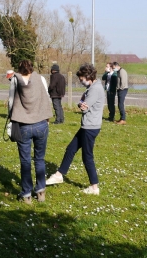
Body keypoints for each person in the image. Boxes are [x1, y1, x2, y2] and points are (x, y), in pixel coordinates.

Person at [45, 63, 105, 195]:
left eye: (81, 78)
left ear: (88, 76)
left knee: (87, 157)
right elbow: (82, 101)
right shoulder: (93, 87)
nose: (80, 80)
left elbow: (84, 106)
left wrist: (81, 104)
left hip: (90, 127)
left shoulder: (95, 89)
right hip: (87, 126)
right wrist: (81, 102)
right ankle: (59, 174)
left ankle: (94, 187)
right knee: (71, 149)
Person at [8, 60, 52, 204]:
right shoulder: (41, 79)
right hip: (41, 123)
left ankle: (26, 194)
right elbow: (47, 98)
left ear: (19, 69)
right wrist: (47, 117)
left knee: (25, 161)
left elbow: (10, 101)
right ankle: (40, 192)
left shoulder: (15, 80)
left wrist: (11, 117)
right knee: (39, 159)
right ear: (32, 68)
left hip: (23, 124)